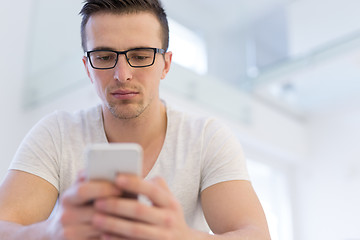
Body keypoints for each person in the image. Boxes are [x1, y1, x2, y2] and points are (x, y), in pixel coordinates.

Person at [0, 0, 271, 239]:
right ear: (87, 68)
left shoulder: (206, 138)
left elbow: (256, 235)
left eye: (140, 56)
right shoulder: (56, 133)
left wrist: (183, 238)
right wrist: (47, 233)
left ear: (165, 64)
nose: (122, 74)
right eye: (105, 57)